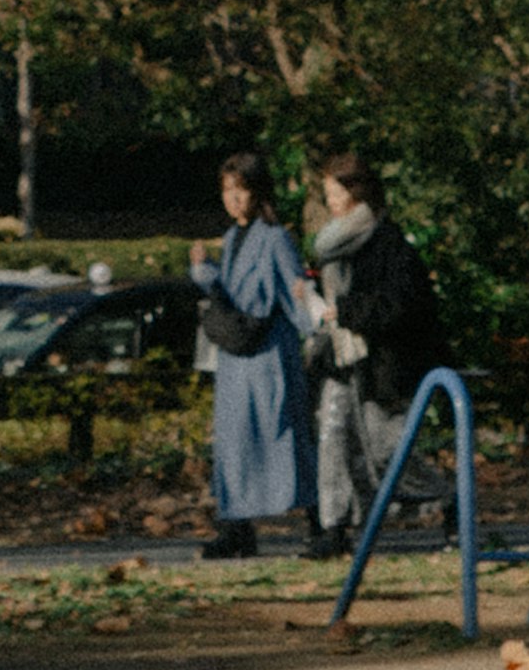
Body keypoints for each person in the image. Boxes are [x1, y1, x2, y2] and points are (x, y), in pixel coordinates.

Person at [305, 154, 449, 557]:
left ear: (357, 193)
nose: (331, 201)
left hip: (381, 361)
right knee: (333, 437)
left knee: (387, 450)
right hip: (341, 355)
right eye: (328, 192)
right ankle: (335, 527)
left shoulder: (388, 242)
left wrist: (348, 311)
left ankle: (447, 498)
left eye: (336, 192)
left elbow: (401, 305)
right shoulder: (333, 245)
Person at [189, 151, 308, 557]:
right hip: (237, 354)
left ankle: (319, 521)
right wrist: (205, 275)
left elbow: (296, 295)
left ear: (258, 193)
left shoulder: (275, 237)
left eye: (241, 190)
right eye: (227, 191)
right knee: (234, 441)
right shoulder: (231, 238)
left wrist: (319, 324)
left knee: (282, 434)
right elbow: (229, 290)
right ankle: (237, 526)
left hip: (269, 352)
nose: (234, 199)